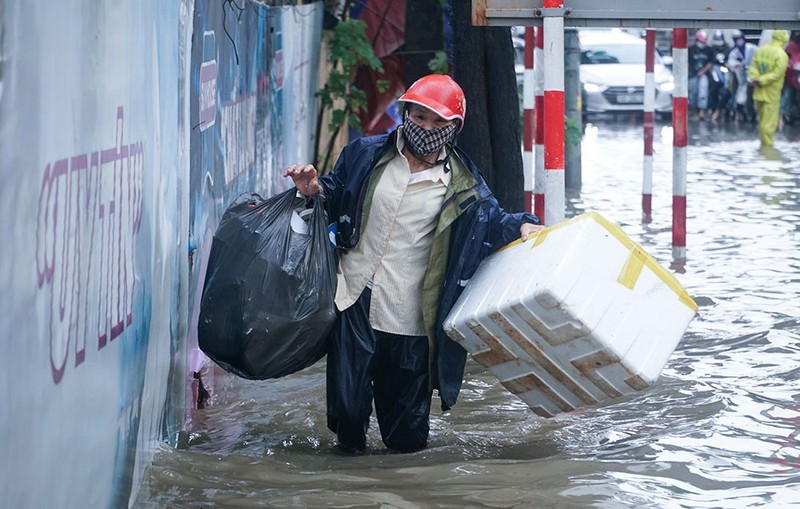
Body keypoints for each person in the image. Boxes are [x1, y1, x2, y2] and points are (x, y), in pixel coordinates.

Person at [283, 74, 542, 453]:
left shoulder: (463, 185)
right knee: (348, 419)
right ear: (405, 113)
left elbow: (492, 220)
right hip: (353, 297)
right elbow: (337, 192)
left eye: (439, 122)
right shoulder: (366, 155)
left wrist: (524, 224)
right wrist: (314, 189)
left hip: (412, 320)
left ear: (454, 128)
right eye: (420, 117)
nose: (427, 128)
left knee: (406, 437)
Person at [748, 30, 789, 147]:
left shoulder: (761, 50)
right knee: (768, 126)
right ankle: (768, 152)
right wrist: (761, 80)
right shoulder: (782, 55)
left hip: (758, 92)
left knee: (762, 123)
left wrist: (756, 78)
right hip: (772, 94)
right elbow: (777, 74)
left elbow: (753, 67)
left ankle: (763, 148)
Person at [726, 30, 758, 123]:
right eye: (736, 39)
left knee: (755, 97)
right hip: (742, 79)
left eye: (739, 39)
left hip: (754, 76)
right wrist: (736, 65)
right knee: (741, 96)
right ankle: (738, 113)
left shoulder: (752, 48)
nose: (738, 41)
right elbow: (730, 62)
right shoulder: (734, 53)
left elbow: (759, 56)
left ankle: (755, 115)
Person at [688, 30, 716, 121]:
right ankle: (694, 110)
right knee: (693, 92)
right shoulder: (691, 49)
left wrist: (703, 71)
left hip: (704, 74)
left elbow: (711, 62)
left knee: (703, 91)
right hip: (693, 74)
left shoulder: (709, 49)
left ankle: (702, 111)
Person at [780, 31, 800, 125]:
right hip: (791, 76)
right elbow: (787, 58)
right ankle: (783, 115)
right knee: (788, 96)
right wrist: (792, 65)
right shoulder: (791, 46)